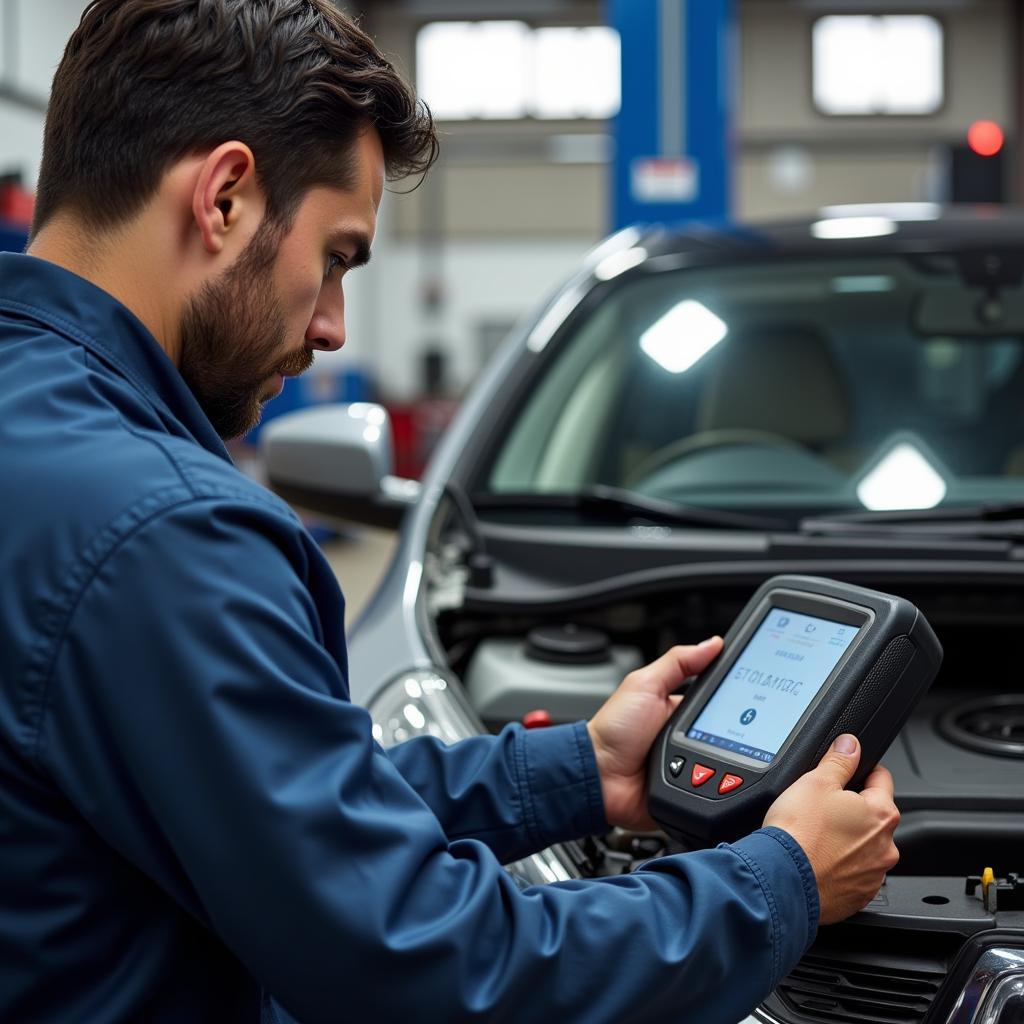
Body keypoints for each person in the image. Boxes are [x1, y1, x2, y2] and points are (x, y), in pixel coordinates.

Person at [0, 2, 900, 1021]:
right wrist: (778, 882)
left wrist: (578, 769)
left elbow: (267, 806)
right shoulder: (166, 535)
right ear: (224, 198)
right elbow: (431, 963)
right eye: (336, 257)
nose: (334, 326)